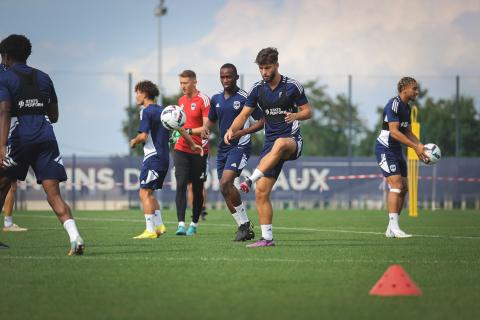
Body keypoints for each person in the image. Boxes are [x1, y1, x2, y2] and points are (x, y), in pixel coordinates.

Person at [0, 34, 84, 255]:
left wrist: (1, 147)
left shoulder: (5, 78)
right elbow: (54, 116)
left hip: (19, 139)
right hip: (46, 137)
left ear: (6, 57)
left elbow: (5, 111)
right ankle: (75, 237)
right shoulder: (44, 77)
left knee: (2, 182)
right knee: (54, 193)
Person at [225, 48, 312, 247]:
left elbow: (308, 112)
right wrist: (232, 129)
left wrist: (296, 115)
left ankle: (250, 178)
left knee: (281, 143)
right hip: (269, 146)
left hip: (291, 141)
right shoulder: (257, 89)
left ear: (277, 65)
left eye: (267, 67)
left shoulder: (292, 86)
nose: (264, 72)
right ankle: (267, 239)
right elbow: (243, 115)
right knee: (261, 192)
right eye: (261, 68)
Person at [130, 80, 202, 239]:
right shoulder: (164, 111)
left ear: (145, 93)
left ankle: (150, 230)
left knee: (144, 193)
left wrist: (134, 141)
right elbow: (181, 128)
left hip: (153, 158)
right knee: (150, 193)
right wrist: (192, 145)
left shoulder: (146, 111)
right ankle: (160, 225)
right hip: (163, 158)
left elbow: (143, 135)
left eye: (138, 93)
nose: (136, 96)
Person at [203, 63, 264, 241]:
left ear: (236, 77)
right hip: (223, 148)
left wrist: (242, 132)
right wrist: (207, 128)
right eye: (222, 77)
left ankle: (245, 225)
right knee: (224, 188)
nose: (226, 80)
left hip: (240, 147)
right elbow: (211, 121)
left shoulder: (245, 97)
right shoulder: (216, 99)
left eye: (229, 76)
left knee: (227, 181)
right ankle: (243, 226)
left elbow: (261, 121)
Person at [375, 77, 428, 238]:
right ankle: (395, 228)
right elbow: (394, 132)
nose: (417, 91)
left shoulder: (408, 107)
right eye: (414, 88)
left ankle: (391, 228)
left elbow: (408, 132)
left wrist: (422, 148)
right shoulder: (394, 105)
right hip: (385, 149)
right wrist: (415, 147)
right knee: (396, 185)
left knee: (404, 188)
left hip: (397, 150)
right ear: (404, 89)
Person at [173, 70, 210, 236]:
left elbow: (206, 129)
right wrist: (174, 130)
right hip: (181, 148)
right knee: (180, 183)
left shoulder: (204, 100)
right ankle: (180, 224)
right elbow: (177, 124)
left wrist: (188, 130)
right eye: (181, 83)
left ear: (194, 82)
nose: (183, 86)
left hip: (200, 150)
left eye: (185, 83)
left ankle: (194, 224)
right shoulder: (180, 101)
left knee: (197, 188)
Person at [0, 61, 26, 233]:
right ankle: (8, 223)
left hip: (10, 133)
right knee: (8, 180)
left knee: (10, 181)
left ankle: (8, 222)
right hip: (7, 135)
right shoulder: (6, 76)